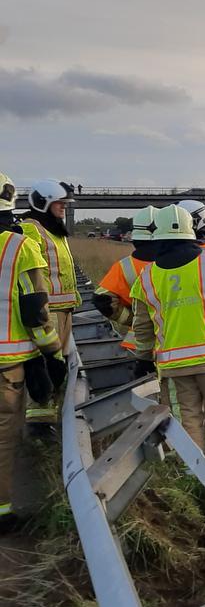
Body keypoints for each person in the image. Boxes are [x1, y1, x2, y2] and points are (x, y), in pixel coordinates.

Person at [130, 204, 205, 476]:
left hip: (174, 366)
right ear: (191, 231)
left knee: (186, 421)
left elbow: (141, 325)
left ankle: (195, 477)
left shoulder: (147, 276)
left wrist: (142, 358)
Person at [0, 172, 63, 531]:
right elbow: (35, 309)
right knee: (3, 439)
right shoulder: (19, 247)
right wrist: (51, 352)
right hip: (7, 363)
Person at [20, 180, 79, 426]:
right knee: (46, 366)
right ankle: (40, 427)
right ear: (44, 203)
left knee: (58, 366)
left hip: (63, 310)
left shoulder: (55, 229)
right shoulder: (31, 229)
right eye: (59, 203)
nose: (63, 208)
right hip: (48, 311)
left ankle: (51, 416)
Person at [93, 206, 157, 351]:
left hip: (138, 344)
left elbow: (102, 299)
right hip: (178, 345)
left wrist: (133, 320)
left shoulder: (124, 266)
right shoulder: (180, 263)